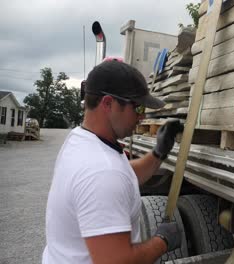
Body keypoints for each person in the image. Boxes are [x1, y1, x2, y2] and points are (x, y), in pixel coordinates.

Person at [42, 60, 184, 264]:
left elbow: (124, 176)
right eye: (138, 107)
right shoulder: (102, 172)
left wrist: (158, 153)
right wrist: (162, 241)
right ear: (108, 103)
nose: (142, 117)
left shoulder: (81, 139)